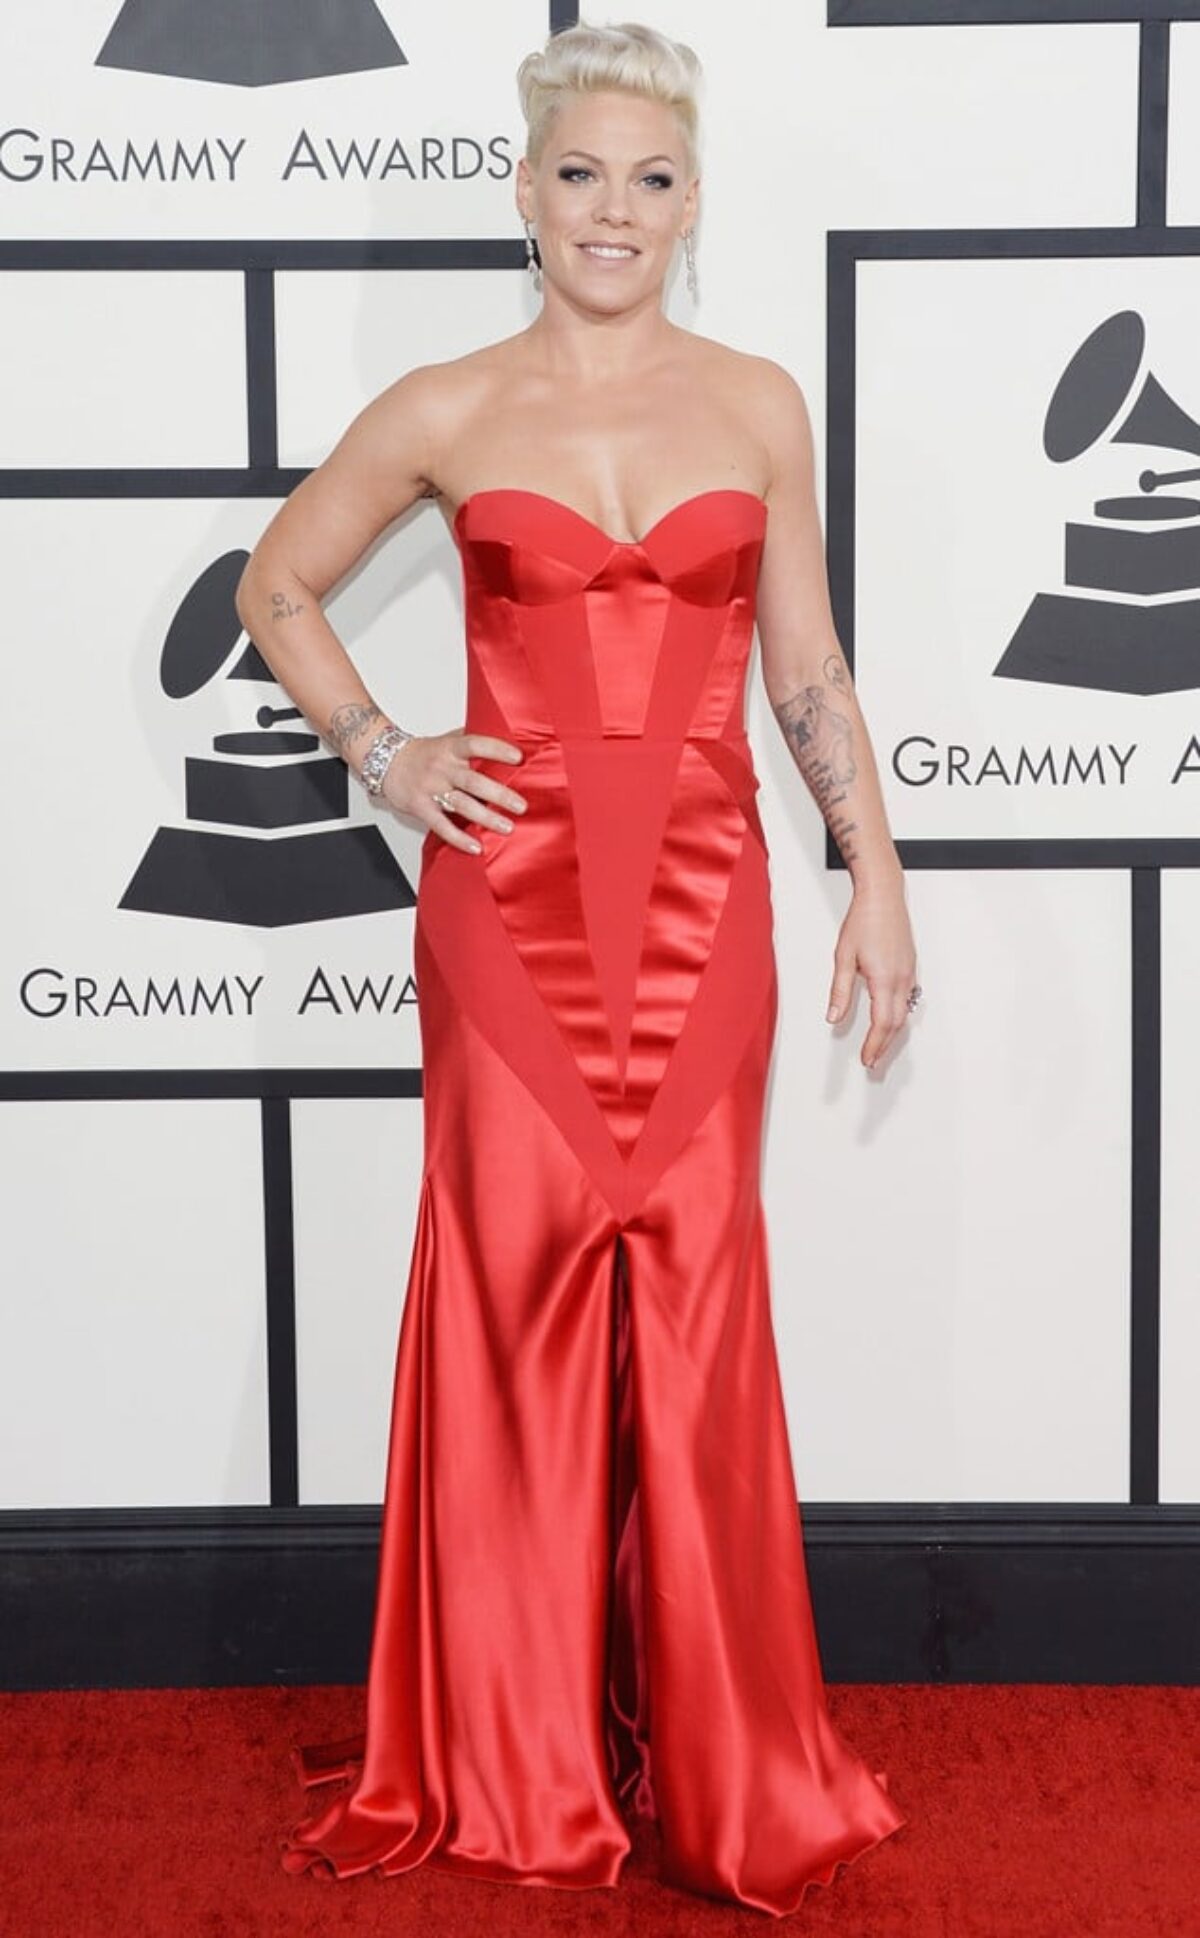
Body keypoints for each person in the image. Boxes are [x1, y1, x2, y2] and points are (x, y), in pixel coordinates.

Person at [236, 18, 919, 1917]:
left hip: (709, 915)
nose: (615, 210)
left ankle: (723, 1768)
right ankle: (518, 1763)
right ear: (525, 191)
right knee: (514, 1301)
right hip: (507, 915)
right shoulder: (449, 405)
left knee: (698, 1310)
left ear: (694, 203)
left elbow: (805, 664)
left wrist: (874, 874)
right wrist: (387, 752)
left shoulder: (759, 402)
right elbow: (274, 584)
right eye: (581, 174)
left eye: (652, 177)